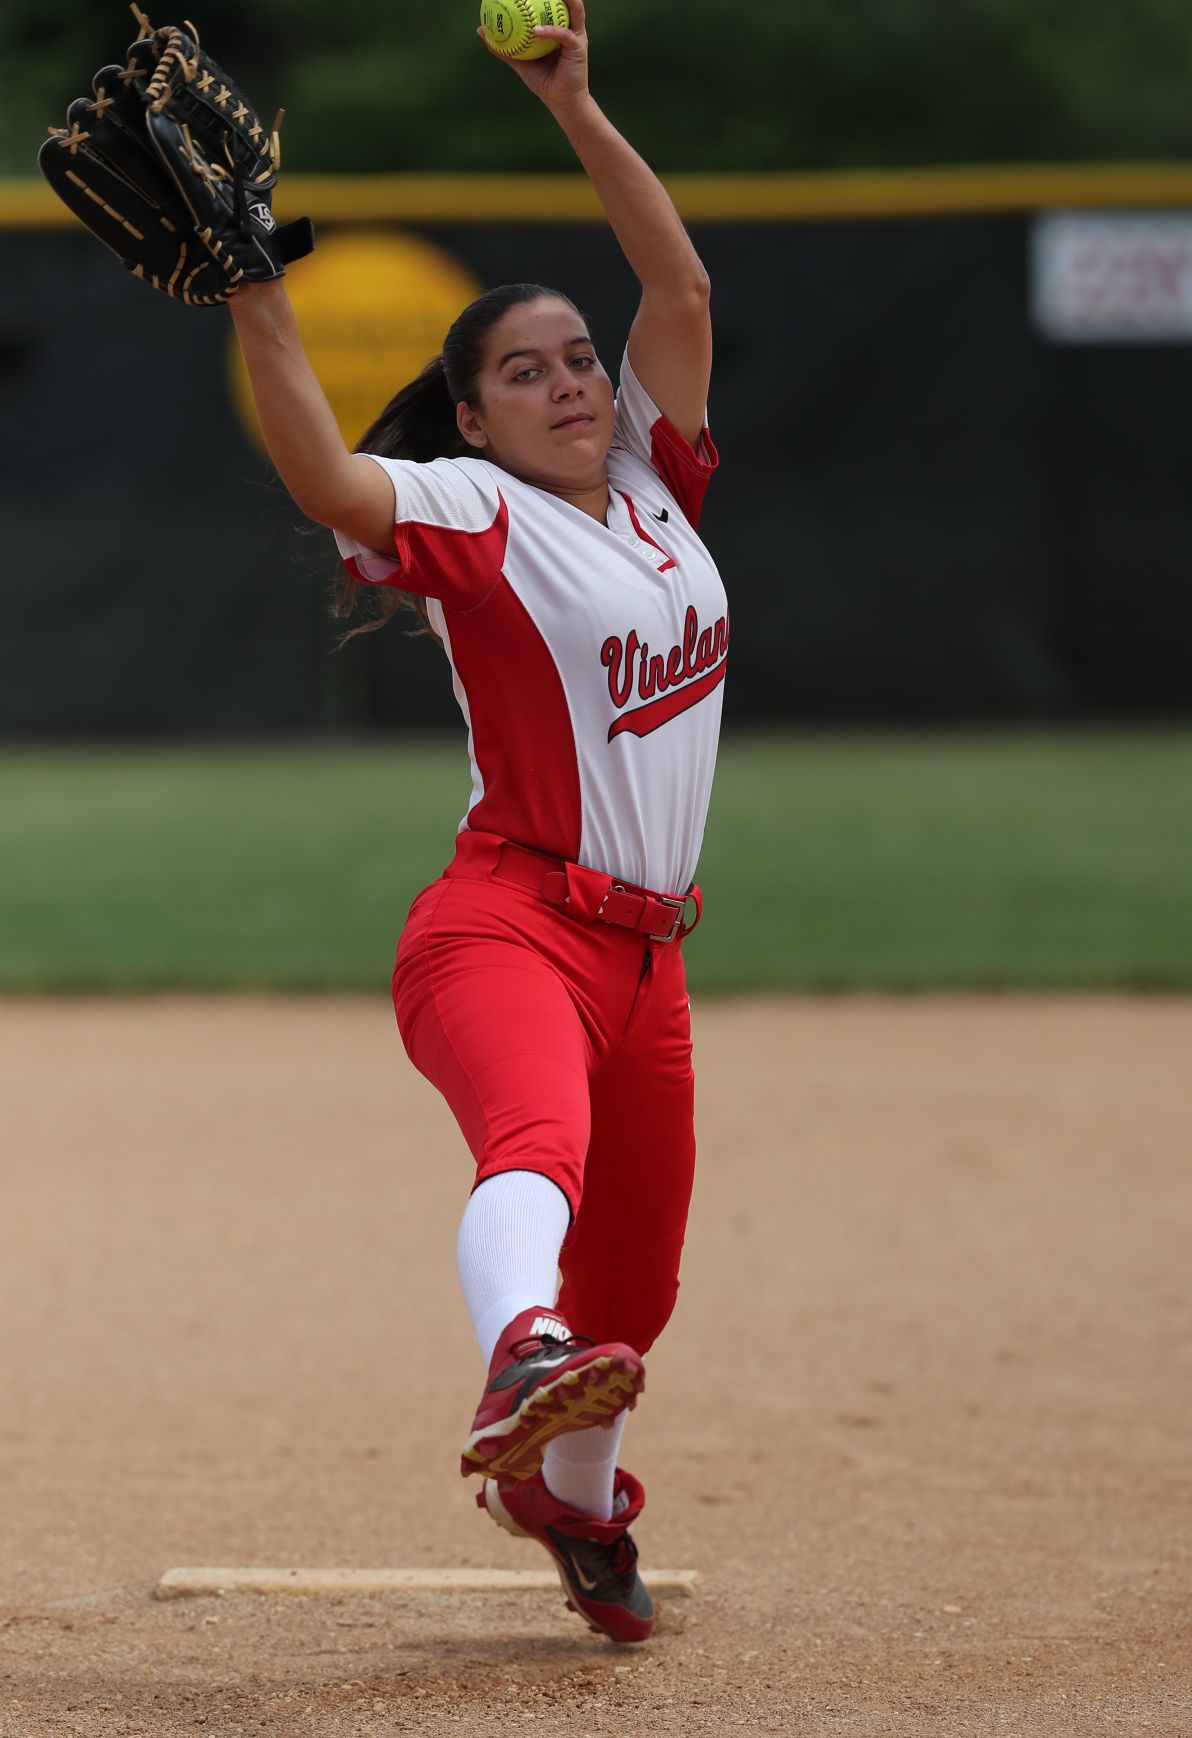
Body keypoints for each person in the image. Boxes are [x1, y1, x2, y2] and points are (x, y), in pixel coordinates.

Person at [228, 0, 726, 1645]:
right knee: (541, 1158)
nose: (573, 379)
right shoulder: (481, 513)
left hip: (649, 965)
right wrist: (255, 288)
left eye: (578, 356)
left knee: (637, 1301)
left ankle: (572, 1508)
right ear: (477, 416)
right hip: (505, 922)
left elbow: (680, 288)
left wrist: (577, 103)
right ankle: (514, 1344)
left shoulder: (654, 482)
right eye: (527, 370)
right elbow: (326, 483)